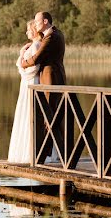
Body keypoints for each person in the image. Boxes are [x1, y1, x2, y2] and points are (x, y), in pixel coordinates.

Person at [19, 11, 66, 163]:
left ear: (45, 21)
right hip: (53, 79)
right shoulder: (55, 33)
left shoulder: (51, 36)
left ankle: (48, 154)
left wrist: (22, 63)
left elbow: (37, 58)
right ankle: (56, 153)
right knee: (53, 116)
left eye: (37, 21)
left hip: (51, 80)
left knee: (50, 118)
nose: (35, 24)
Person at [7, 20, 41, 163]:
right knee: (25, 114)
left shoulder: (37, 45)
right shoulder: (32, 46)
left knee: (30, 114)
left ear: (34, 30)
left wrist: (21, 62)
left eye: (28, 29)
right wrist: (22, 55)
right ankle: (26, 151)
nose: (26, 32)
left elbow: (32, 69)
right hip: (27, 84)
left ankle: (32, 152)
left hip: (32, 83)